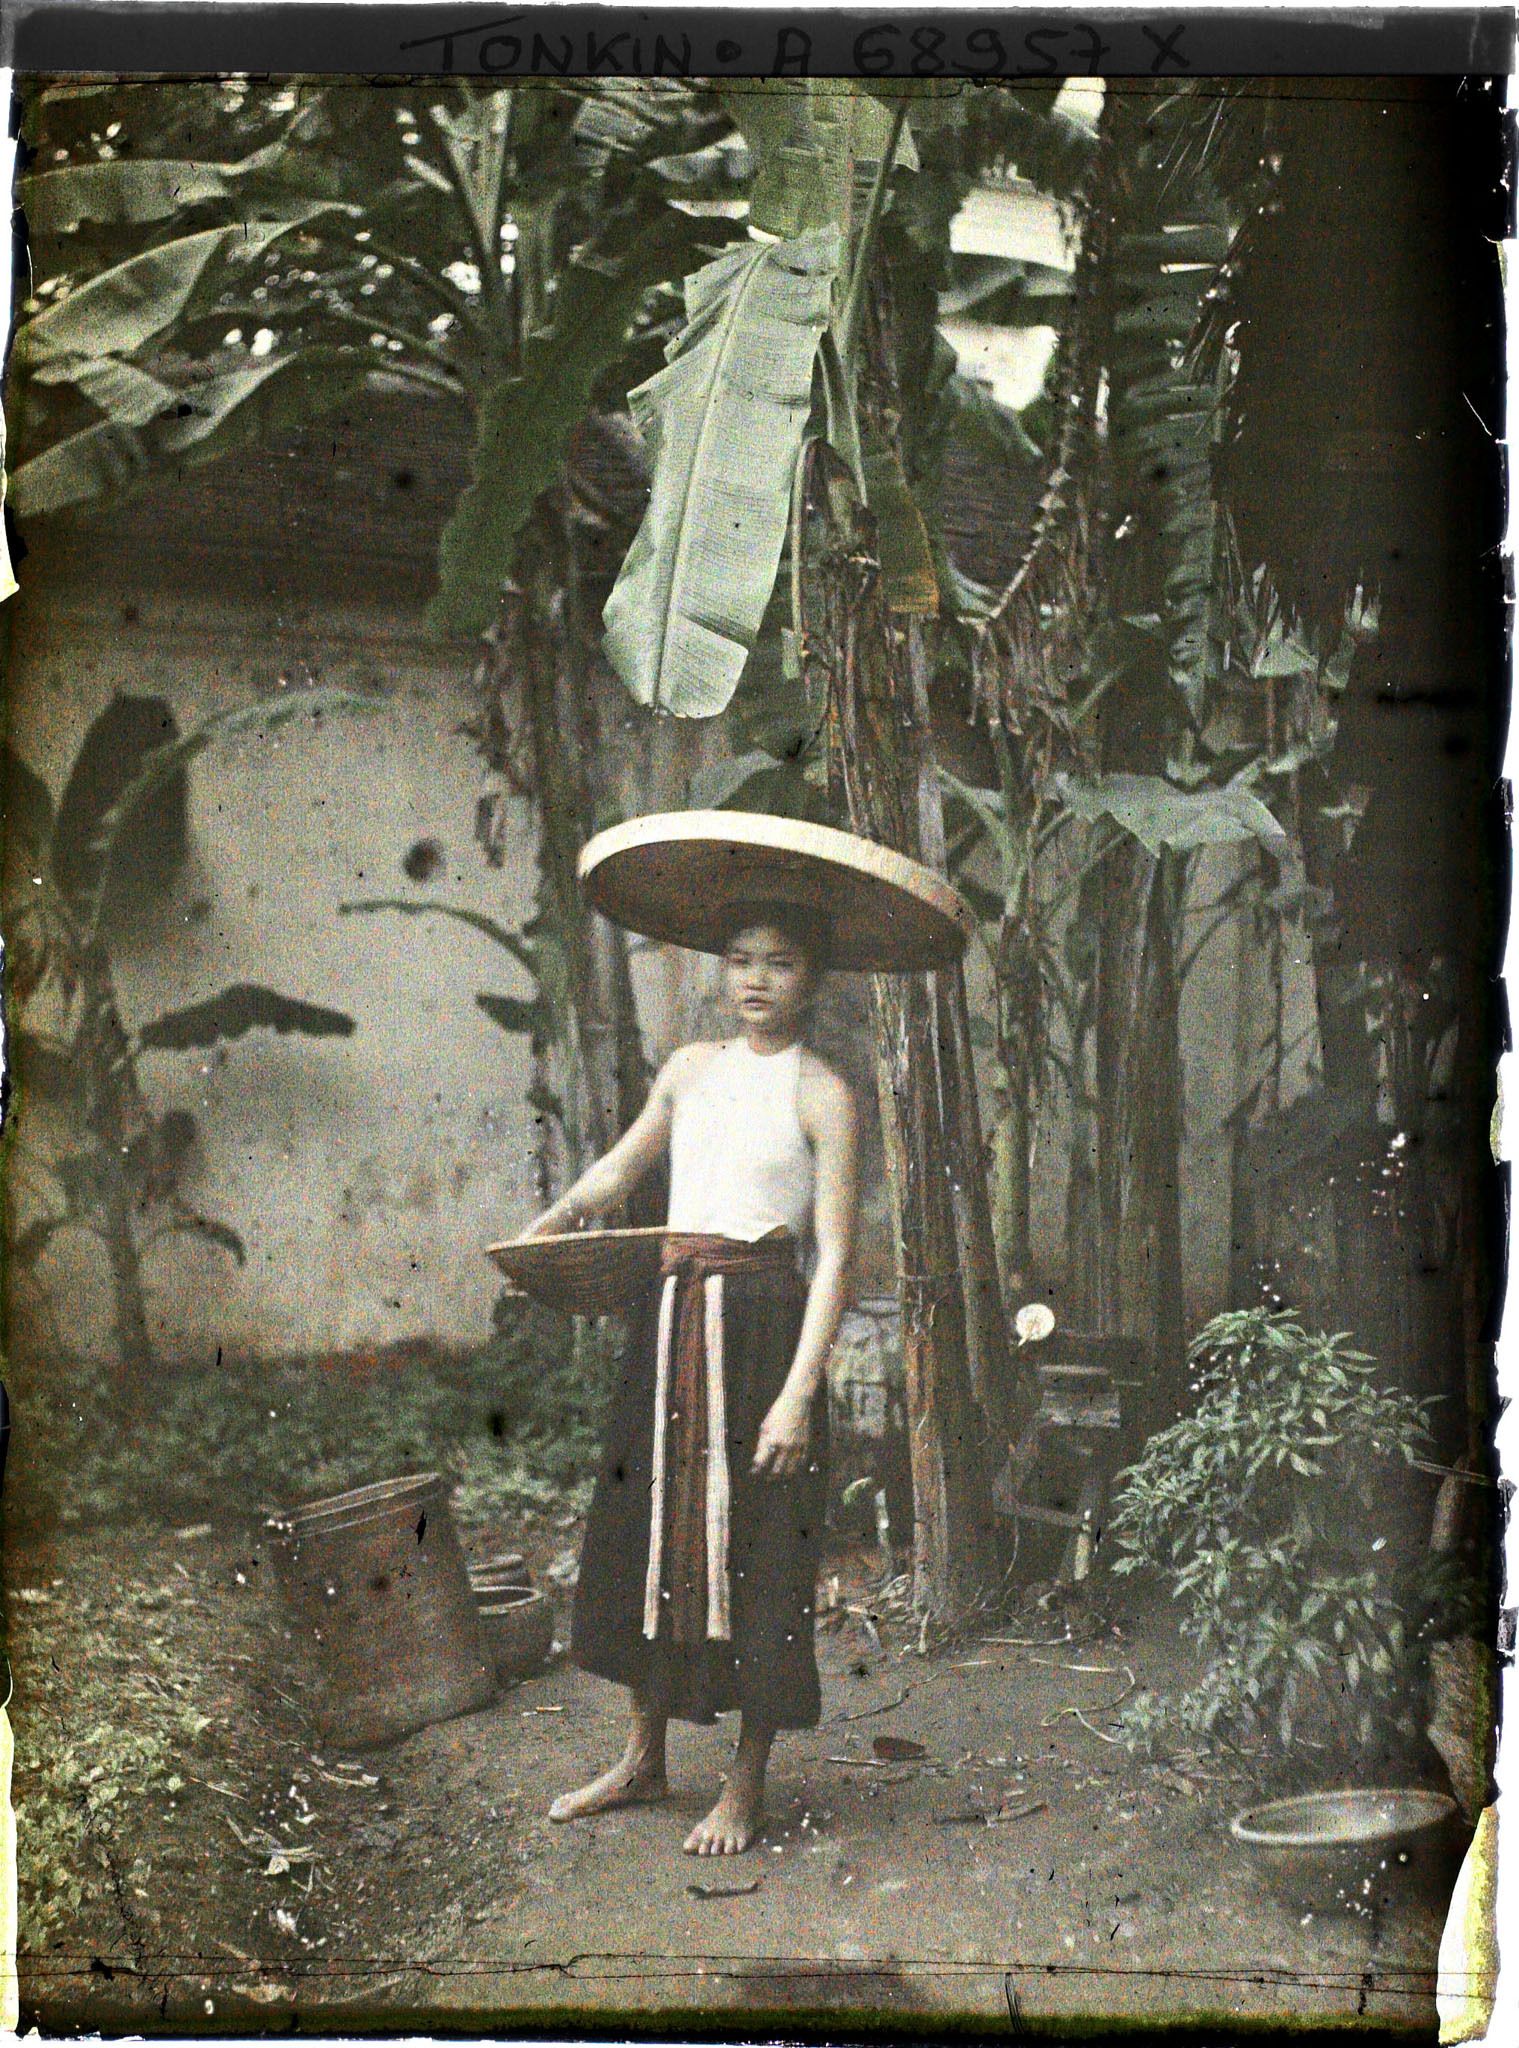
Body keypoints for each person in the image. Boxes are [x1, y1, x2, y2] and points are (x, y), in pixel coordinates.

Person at [521, 903, 858, 1855]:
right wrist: (540, 1232)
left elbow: (833, 1257)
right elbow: (617, 1173)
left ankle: (745, 1783)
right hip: (669, 1325)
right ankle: (643, 1755)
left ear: (813, 978)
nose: (755, 978)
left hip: (760, 1333)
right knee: (646, 1535)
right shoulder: (688, 1071)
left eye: (781, 960)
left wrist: (798, 1391)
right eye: (740, 958)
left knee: (760, 1548)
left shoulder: (824, 1092)